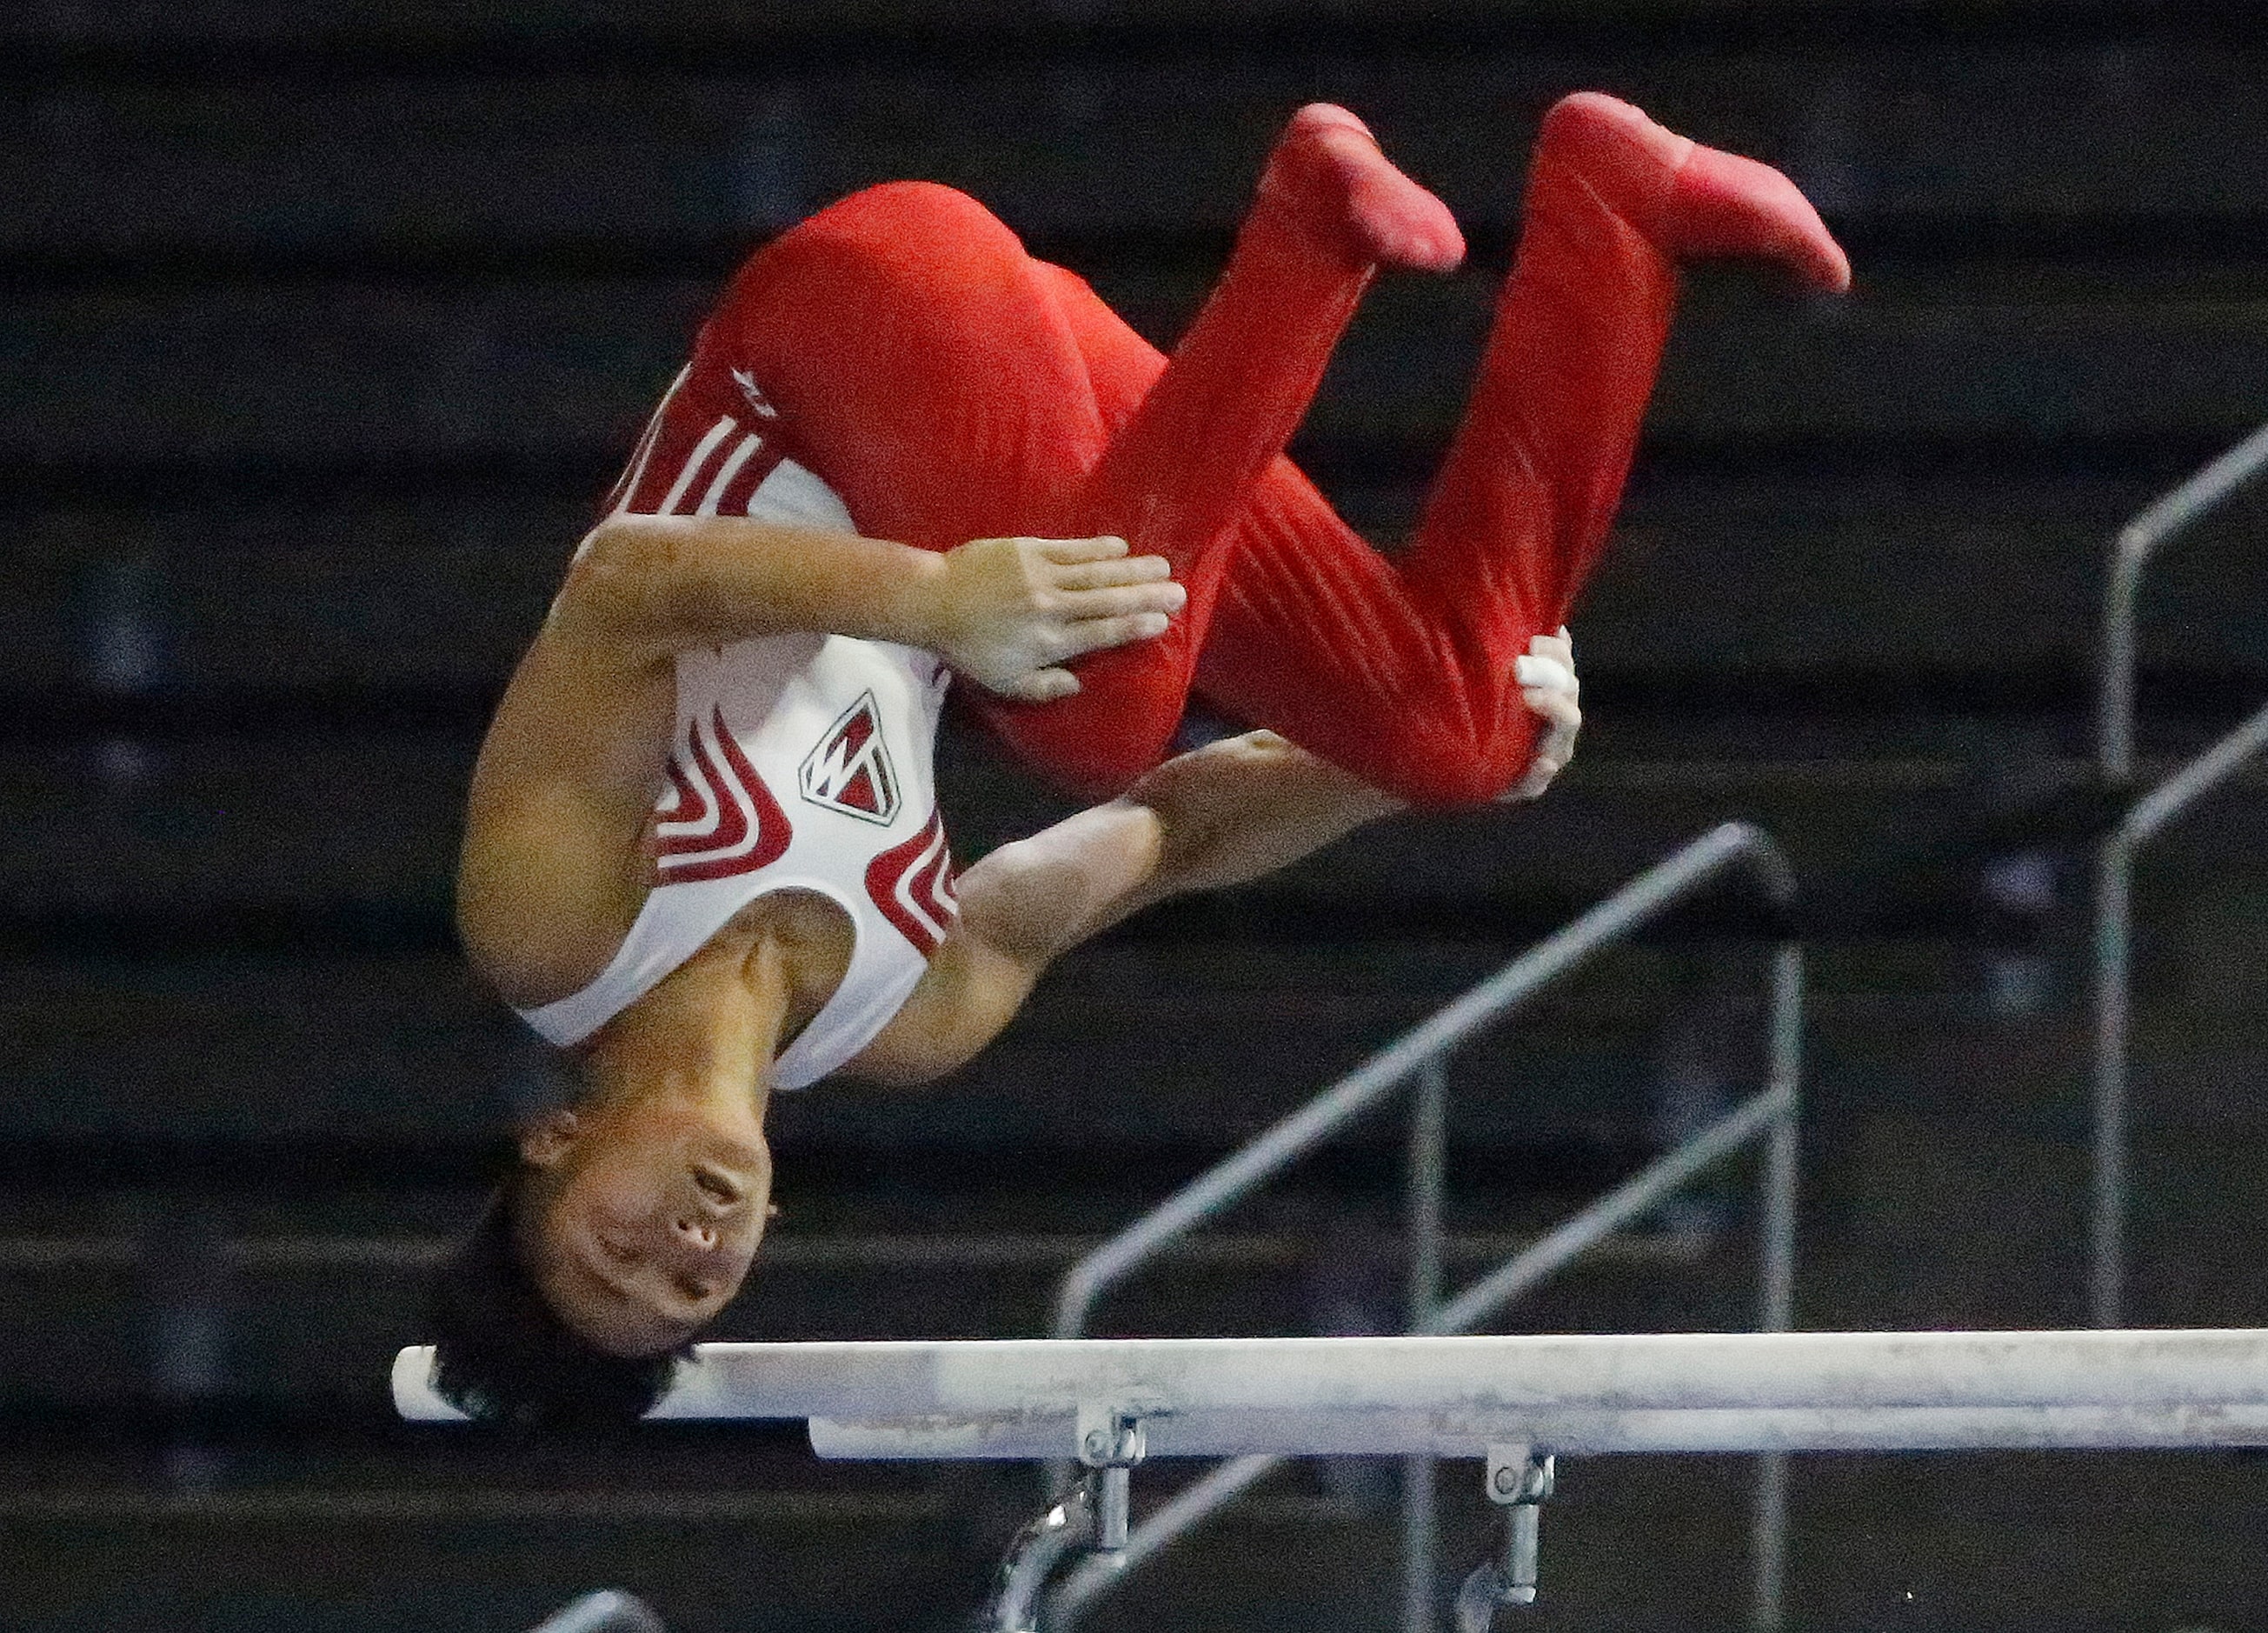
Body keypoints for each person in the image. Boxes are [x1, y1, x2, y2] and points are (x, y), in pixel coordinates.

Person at [425, 94, 1847, 1426]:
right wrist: (1396, 765)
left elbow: (623, 585)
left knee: (1092, 711)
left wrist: (930, 600)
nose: (680, 1245)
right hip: (1048, 439)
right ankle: (1618, 201)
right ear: (765, 1240)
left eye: (613, 1249)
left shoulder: (555, 927)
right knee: (1455, 730)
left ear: (552, 1143)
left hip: (838, 325)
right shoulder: (906, 1016)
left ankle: (1309, 230)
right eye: (691, 1287)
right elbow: (1178, 832)